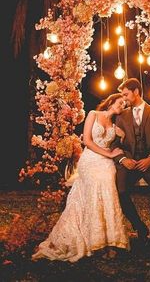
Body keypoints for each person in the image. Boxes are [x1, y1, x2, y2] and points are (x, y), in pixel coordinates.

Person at [32, 93, 129, 263]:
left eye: (125, 104)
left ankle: (110, 241)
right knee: (95, 185)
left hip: (106, 163)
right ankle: (93, 240)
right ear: (112, 101)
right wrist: (109, 153)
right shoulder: (93, 114)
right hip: (90, 159)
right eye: (121, 102)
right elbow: (88, 142)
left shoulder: (116, 127)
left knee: (108, 182)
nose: (123, 105)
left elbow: (124, 145)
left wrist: (121, 139)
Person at [111, 78, 150, 250]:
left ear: (136, 92)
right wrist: (123, 159)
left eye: (126, 94)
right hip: (129, 161)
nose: (124, 98)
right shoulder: (121, 116)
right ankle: (140, 227)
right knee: (119, 190)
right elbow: (114, 143)